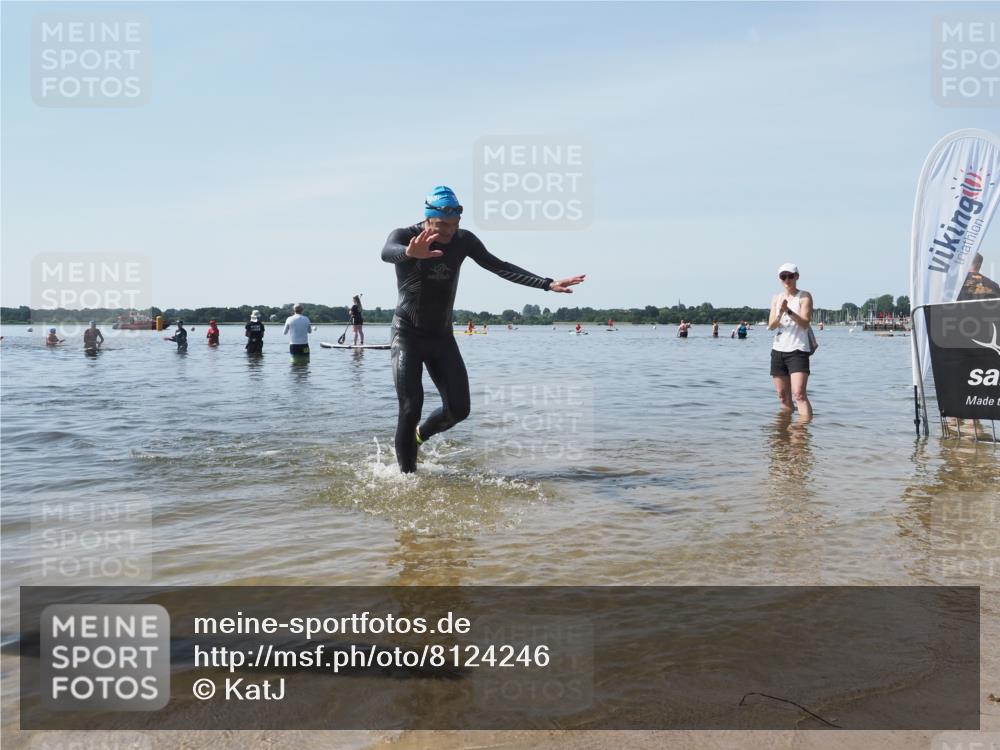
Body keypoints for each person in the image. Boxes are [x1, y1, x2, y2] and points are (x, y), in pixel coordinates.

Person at [382, 185, 585, 473]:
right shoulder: (404, 236)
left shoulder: (463, 241)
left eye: (454, 225)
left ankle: (419, 438)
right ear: (427, 219)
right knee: (410, 406)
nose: (448, 232)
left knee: (459, 410)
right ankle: (406, 481)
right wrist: (409, 252)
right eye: (442, 225)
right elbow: (386, 252)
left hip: (441, 337)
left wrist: (546, 283)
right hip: (407, 335)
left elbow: (499, 266)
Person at [768, 263, 814, 421]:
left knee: (799, 394)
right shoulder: (776, 298)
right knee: (782, 396)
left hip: (798, 350)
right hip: (778, 350)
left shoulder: (804, 296)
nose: (787, 279)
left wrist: (788, 311)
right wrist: (780, 313)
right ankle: (784, 432)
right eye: (783, 276)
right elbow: (771, 326)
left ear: (797, 276)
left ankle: (803, 432)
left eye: (790, 276)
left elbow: (805, 323)